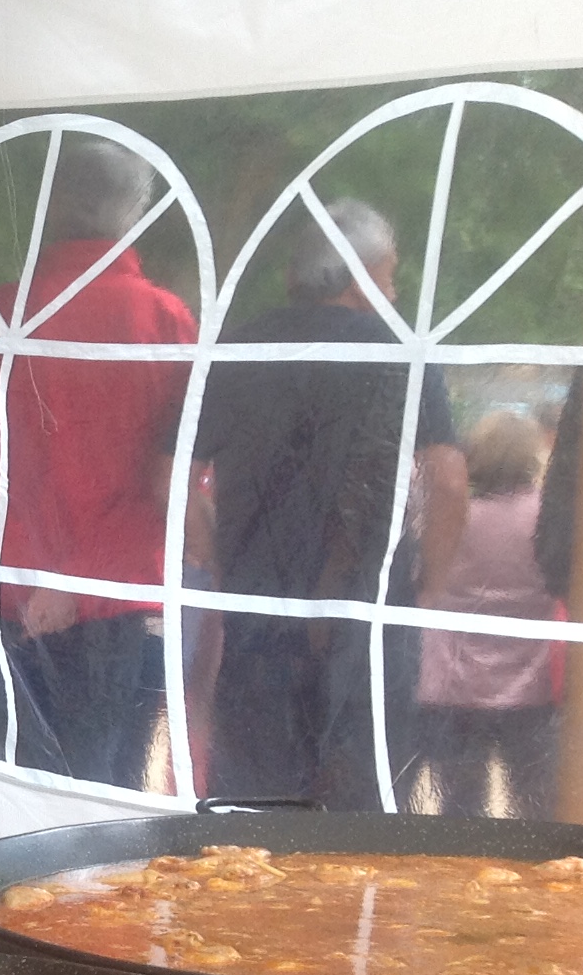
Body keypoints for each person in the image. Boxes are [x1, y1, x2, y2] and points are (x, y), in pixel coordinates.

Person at [0, 138, 197, 787]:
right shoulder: (163, 321)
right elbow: (173, 479)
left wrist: (33, 570)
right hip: (107, 614)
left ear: (51, 208)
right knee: (92, 817)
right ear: (134, 211)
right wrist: (75, 581)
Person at [188, 198, 466, 808]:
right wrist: (432, 585)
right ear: (359, 277)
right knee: (361, 801)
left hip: (256, 605)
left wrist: (212, 555)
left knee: (255, 805)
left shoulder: (237, 348)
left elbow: (174, 472)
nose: (393, 291)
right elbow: (446, 478)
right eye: (390, 276)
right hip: (368, 608)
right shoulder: (402, 351)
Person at [411, 409, 561, 817]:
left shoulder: (452, 517)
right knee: (534, 806)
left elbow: (421, 580)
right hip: (531, 684)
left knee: (459, 808)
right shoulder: (546, 519)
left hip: (451, 684)